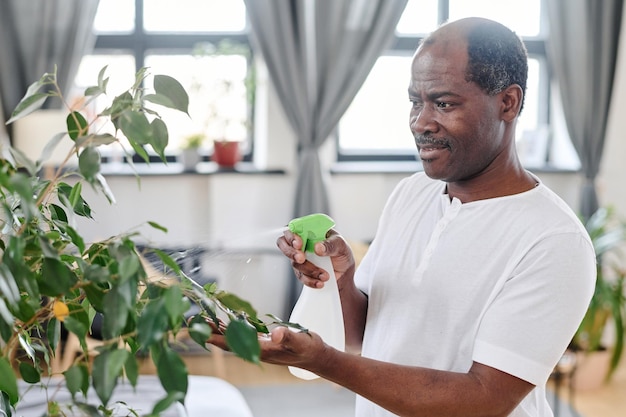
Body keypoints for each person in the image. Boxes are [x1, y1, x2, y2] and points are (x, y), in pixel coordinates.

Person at [209, 17, 596, 417]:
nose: (420, 123)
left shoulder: (555, 241)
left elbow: (485, 400)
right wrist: (341, 279)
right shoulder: (413, 193)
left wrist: (322, 361)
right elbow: (365, 336)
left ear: (508, 103)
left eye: (443, 103)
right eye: (416, 101)